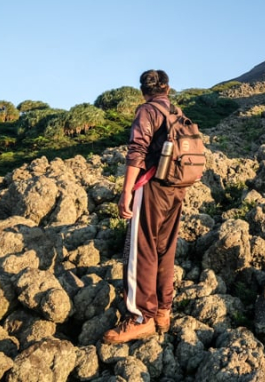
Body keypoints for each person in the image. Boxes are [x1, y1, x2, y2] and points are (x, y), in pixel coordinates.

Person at [103, 69, 188, 344]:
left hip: (151, 187)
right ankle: (163, 312)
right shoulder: (177, 112)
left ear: (143, 91)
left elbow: (137, 151)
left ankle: (141, 318)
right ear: (168, 88)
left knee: (142, 250)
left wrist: (126, 191)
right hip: (176, 189)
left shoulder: (147, 111)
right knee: (165, 249)